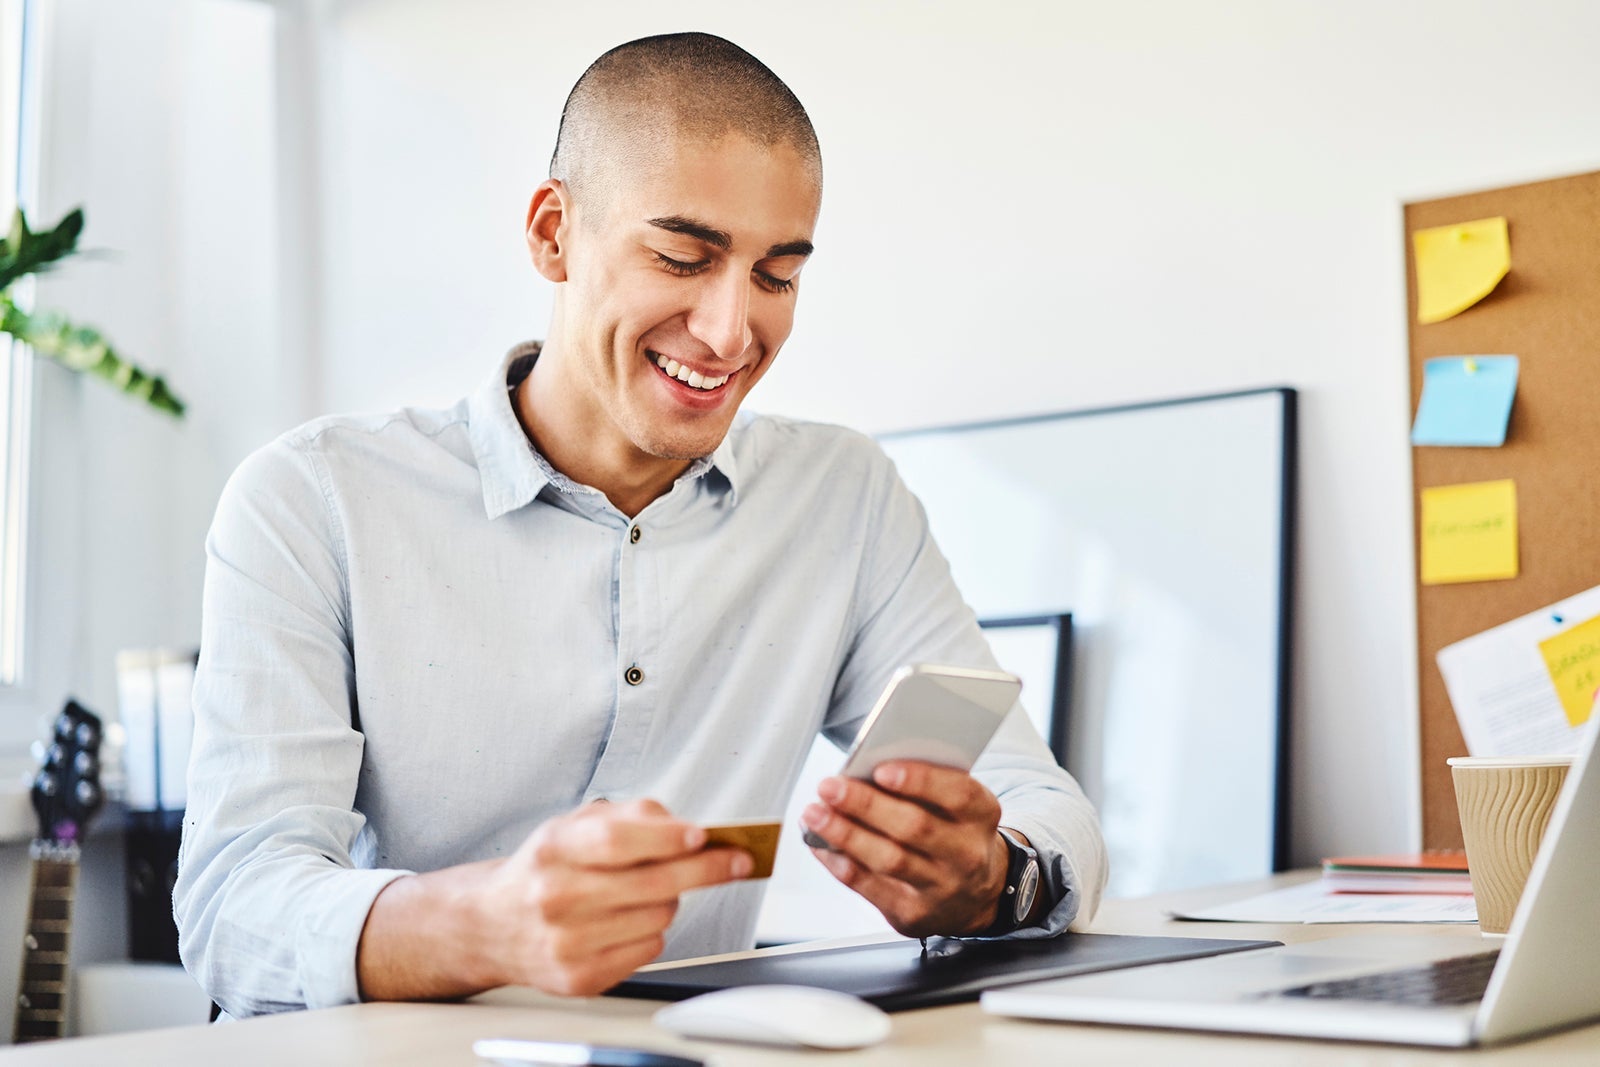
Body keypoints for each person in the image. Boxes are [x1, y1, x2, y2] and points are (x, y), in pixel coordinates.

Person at [173, 31, 1107, 1017]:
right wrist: (482, 921)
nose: (730, 330)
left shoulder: (844, 495)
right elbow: (233, 907)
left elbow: (1049, 810)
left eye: (777, 275)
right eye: (681, 257)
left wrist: (992, 876)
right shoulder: (311, 498)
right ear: (551, 234)